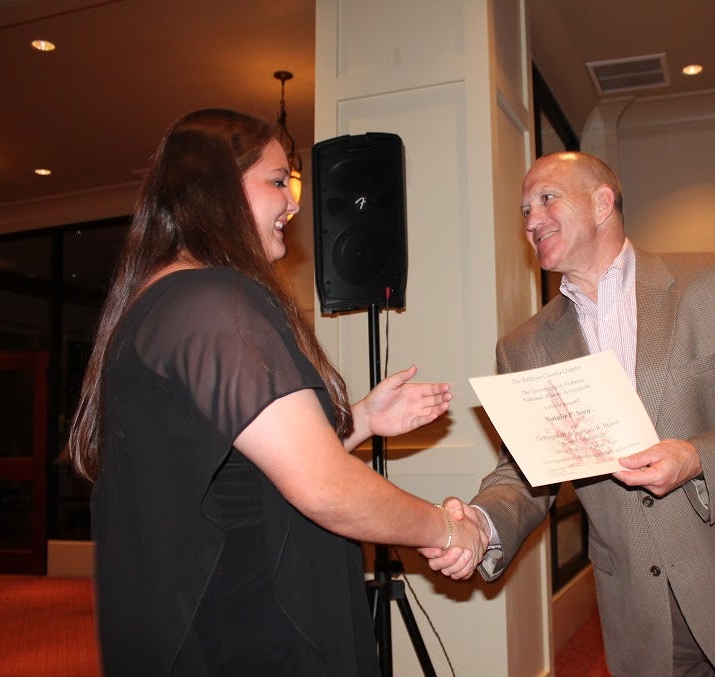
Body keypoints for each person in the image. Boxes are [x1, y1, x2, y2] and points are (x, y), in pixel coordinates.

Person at [67, 108, 485, 677]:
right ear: (215, 188)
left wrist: (360, 419)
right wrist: (445, 528)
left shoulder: (162, 300)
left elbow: (237, 466)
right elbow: (325, 489)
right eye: (277, 181)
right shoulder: (214, 302)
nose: (294, 203)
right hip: (248, 630)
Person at [423, 151, 715, 676]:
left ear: (603, 203)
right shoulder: (523, 348)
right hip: (645, 620)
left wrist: (697, 457)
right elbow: (525, 471)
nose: (531, 220)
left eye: (546, 199)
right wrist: (482, 523)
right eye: (524, 210)